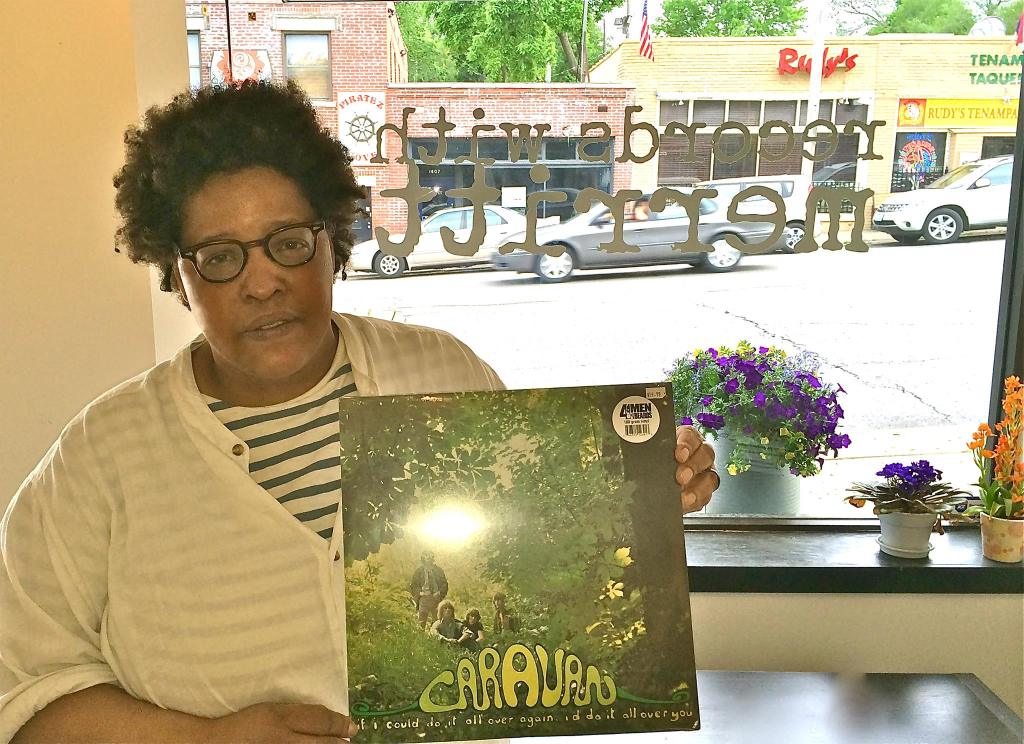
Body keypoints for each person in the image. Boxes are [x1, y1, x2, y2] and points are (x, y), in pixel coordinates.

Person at [0, 81, 719, 742]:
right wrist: (204, 740)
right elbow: (23, 697)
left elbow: (539, 552)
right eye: (219, 258)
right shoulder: (101, 455)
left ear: (334, 243)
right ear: (177, 274)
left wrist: (639, 494)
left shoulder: (443, 376)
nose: (263, 283)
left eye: (288, 243)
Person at [408, 551, 449, 628]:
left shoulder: (439, 571)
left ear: (433, 559)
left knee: (437, 620)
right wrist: (421, 593)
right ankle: (421, 634)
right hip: (424, 598)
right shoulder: (419, 571)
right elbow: (413, 585)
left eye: (430, 558)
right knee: (421, 620)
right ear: (423, 559)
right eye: (426, 558)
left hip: (436, 598)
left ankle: (436, 633)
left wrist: (439, 593)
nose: (429, 560)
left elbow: (444, 584)